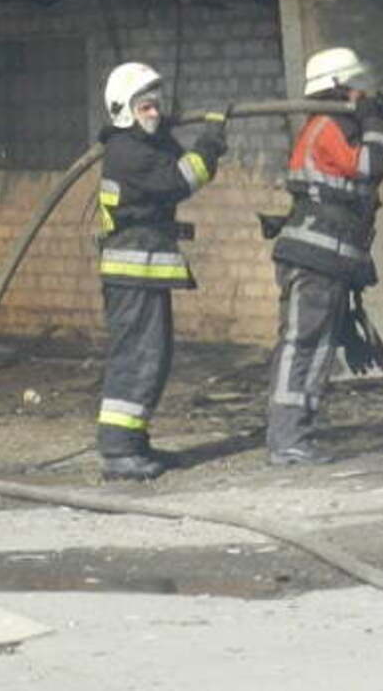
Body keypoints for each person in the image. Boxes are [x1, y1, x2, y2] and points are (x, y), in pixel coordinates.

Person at [93, 62, 227, 482]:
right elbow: (179, 179)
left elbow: (167, 156)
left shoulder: (139, 145)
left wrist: (162, 125)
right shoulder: (128, 152)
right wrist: (210, 143)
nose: (154, 113)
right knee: (138, 358)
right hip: (134, 271)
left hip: (144, 270)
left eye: (156, 105)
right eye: (146, 106)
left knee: (154, 356)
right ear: (124, 110)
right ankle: (117, 452)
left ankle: (134, 441)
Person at [266, 47, 383, 465]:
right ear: (341, 86)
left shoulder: (340, 126)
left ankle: (297, 437)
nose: (366, 92)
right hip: (314, 258)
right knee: (302, 345)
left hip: (330, 261)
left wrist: (373, 119)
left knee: (319, 349)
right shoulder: (327, 127)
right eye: (359, 86)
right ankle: (286, 440)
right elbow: (371, 165)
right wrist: (375, 122)